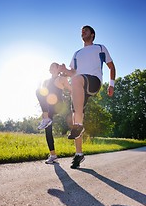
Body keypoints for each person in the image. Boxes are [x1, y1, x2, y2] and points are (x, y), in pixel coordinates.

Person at [59, 25, 116, 169]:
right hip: (79, 86)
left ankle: (79, 125)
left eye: (85, 30)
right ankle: (79, 154)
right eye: (81, 31)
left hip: (93, 81)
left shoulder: (100, 48)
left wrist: (112, 85)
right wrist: (63, 70)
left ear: (92, 34)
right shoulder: (77, 53)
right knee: (75, 116)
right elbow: (72, 72)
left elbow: (111, 67)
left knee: (77, 80)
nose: (82, 32)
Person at [36, 62, 71, 164]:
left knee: (39, 91)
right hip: (49, 107)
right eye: (50, 66)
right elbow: (44, 96)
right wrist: (44, 112)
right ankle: (53, 155)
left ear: (57, 68)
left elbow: (70, 89)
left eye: (53, 66)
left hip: (58, 105)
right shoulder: (46, 81)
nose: (50, 67)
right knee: (48, 129)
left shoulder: (61, 78)